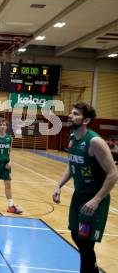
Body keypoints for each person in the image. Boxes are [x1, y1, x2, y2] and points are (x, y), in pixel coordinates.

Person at [52, 102, 117, 273]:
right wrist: (59, 185)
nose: (70, 116)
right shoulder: (73, 138)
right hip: (78, 195)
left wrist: (96, 200)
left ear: (86, 120)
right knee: (76, 235)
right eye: (71, 113)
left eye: (75, 114)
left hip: (94, 199)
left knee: (86, 242)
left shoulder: (95, 142)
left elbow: (113, 173)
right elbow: (71, 163)